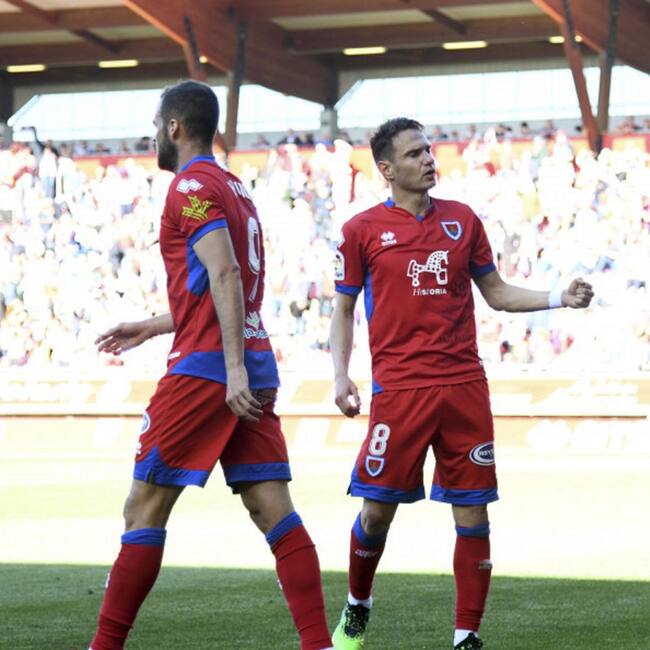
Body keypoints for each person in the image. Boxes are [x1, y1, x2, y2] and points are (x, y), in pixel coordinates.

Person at [329, 117, 594, 650]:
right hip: (399, 393)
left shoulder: (462, 220)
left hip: (464, 387)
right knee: (376, 512)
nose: (429, 159)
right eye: (414, 154)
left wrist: (558, 298)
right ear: (387, 169)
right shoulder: (361, 231)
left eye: (428, 150)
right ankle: (358, 605)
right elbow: (343, 309)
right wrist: (340, 374)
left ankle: (466, 634)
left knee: (473, 510)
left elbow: (497, 293)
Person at [89, 80, 333, 650]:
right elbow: (217, 285)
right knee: (274, 511)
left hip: (208, 371)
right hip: (248, 360)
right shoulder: (235, 188)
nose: (154, 136)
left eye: (157, 126)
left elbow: (224, 272)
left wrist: (232, 369)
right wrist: (154, 325)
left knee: (143, 509)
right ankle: (319, 645)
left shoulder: (189, 186)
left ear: (174, 127)